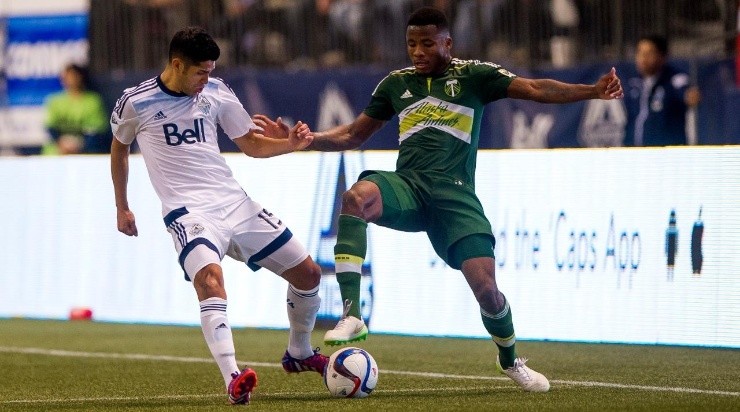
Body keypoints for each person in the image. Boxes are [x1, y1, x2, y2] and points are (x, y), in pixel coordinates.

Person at [302, 6, 623, 392]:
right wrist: (308, 140)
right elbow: (353, 135)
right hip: (409, 186)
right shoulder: (396, 85)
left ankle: (510, 360)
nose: (417, 52)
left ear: (447, 43)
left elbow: (536, 89)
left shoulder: (474, 76)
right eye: (411, 44)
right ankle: (352, 315)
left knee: (488, 292)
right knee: (355, 197)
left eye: (426, 43)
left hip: (454, 197)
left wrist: (592, 91)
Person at [110, 27, 328, 405]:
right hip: (188, 212)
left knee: (309, 274)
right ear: (177, 64)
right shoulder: (135, 101)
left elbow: (251, 144)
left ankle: (300, 352)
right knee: (210, 281)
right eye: (201, 72)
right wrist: (122, 206)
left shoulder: (216, 91)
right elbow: (119, 150)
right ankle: (233, 378)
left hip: (236, 204)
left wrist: (290, 144)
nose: (206, 79)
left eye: (210, 71)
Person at [624, 35, 701, 146]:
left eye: (649, 53)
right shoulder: (632, 83)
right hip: (636, 152)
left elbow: (685, 91)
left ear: (662, 56)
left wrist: (689, 95)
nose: (643, 58)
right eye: (640, 53)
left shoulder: (674, 79)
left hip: (667, 152)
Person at [43, 63, 110, 154]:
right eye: (67, 76)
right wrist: (62, 143)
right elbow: (50, 127)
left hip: (85, 148)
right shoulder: (54, 100)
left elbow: (97, 130)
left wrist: (79, 145)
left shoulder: (93, 100)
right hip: (58, 149)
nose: (71, 79)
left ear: (81, 77)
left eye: (74, 76)